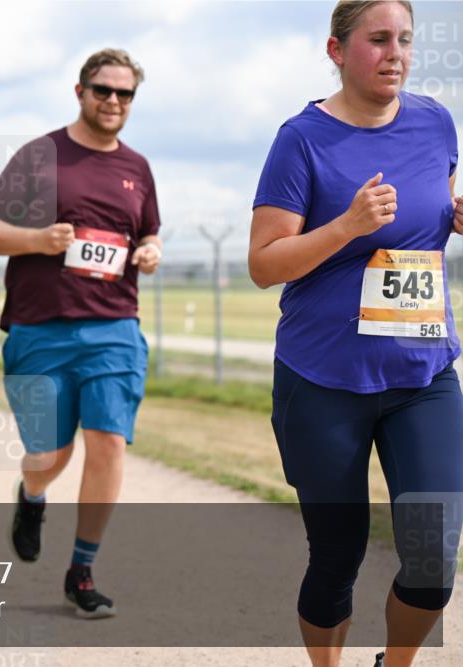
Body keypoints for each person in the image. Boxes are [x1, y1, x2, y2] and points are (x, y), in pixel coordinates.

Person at [248, 2, 463, 666]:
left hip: (422, 376)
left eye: (404, 39)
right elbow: (263, 263)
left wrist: (455, 217)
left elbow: (428, 217)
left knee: (433, 558)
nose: (395, 52)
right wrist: (345, 226)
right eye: (378, 39)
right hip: (323, 379)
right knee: (336, 553)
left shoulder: (435, 122)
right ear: (337, 51)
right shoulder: (302, 138)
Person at [0, 48, 162, 619]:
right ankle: (32, 496)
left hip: (113, 328)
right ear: (80, 91)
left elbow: (148, 234)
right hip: (41, 330)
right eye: (102, 90)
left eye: (124, 94)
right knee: (48, 454)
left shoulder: (138, 168)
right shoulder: (41, 156)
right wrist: (37, 241)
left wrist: (151, 251)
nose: (112, 102)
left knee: (106, 441)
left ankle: (82, 569)